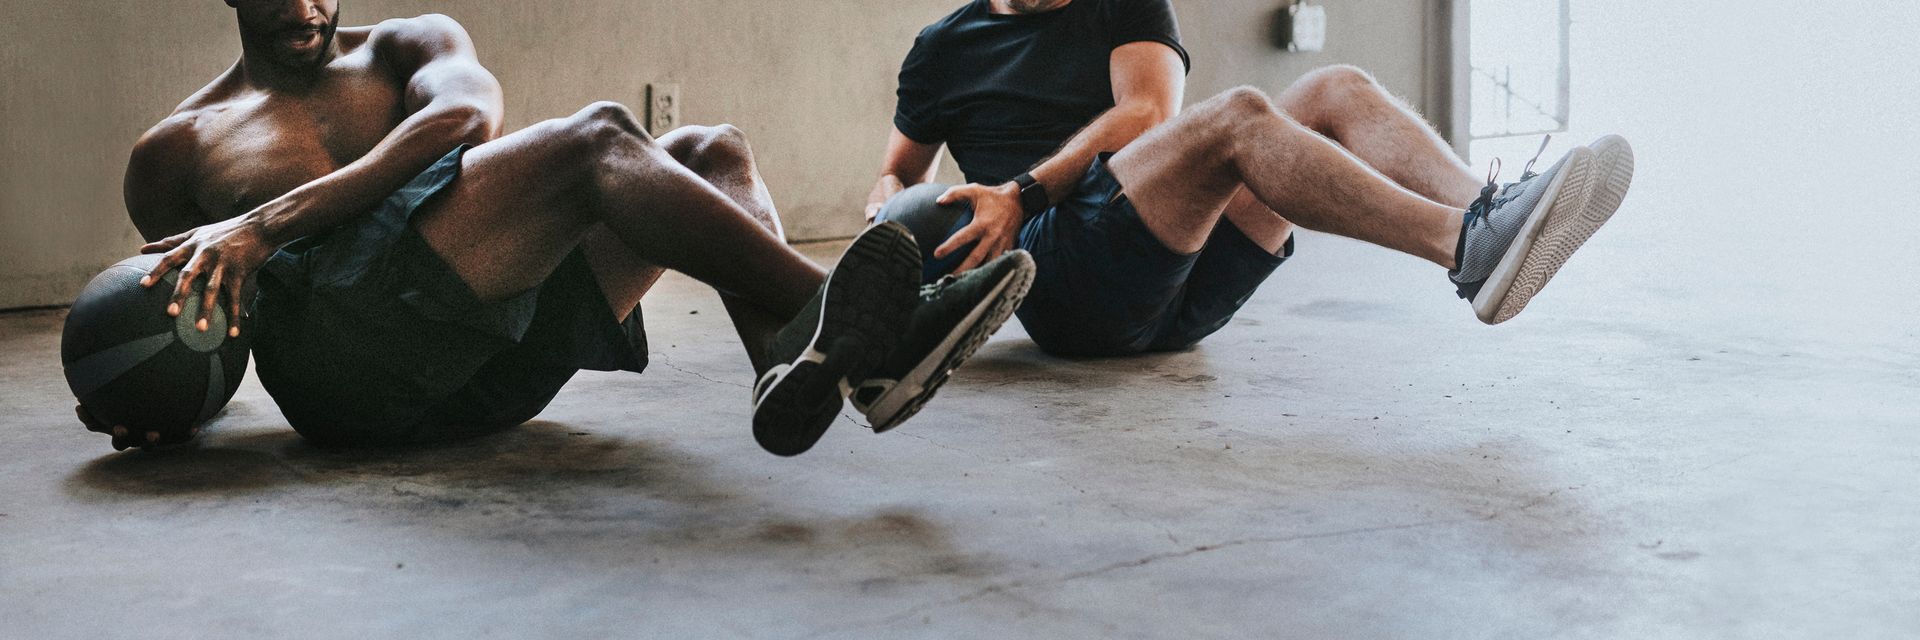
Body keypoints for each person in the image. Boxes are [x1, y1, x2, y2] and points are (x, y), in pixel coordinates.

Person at [75, 0, 1033, 457]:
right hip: (352, 382)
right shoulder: (175, 150)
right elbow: (191, 311)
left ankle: (798, 363)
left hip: (497, 368)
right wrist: (144, 392)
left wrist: (261, 223)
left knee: (712, 148)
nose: (307, 4)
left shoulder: (411, 43)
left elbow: (464, 124)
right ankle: (875, 334)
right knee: (599, 140)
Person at [866, 0, 1634, 362]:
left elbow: (1146, 114)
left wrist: (1025, 186)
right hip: (1064, 284)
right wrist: (886, 210)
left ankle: (1486, 214)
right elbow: (902, 168)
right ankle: (1463, 246)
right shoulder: (942, 49)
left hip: (1182, 284)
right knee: (1238, 116)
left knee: (1335, 87)